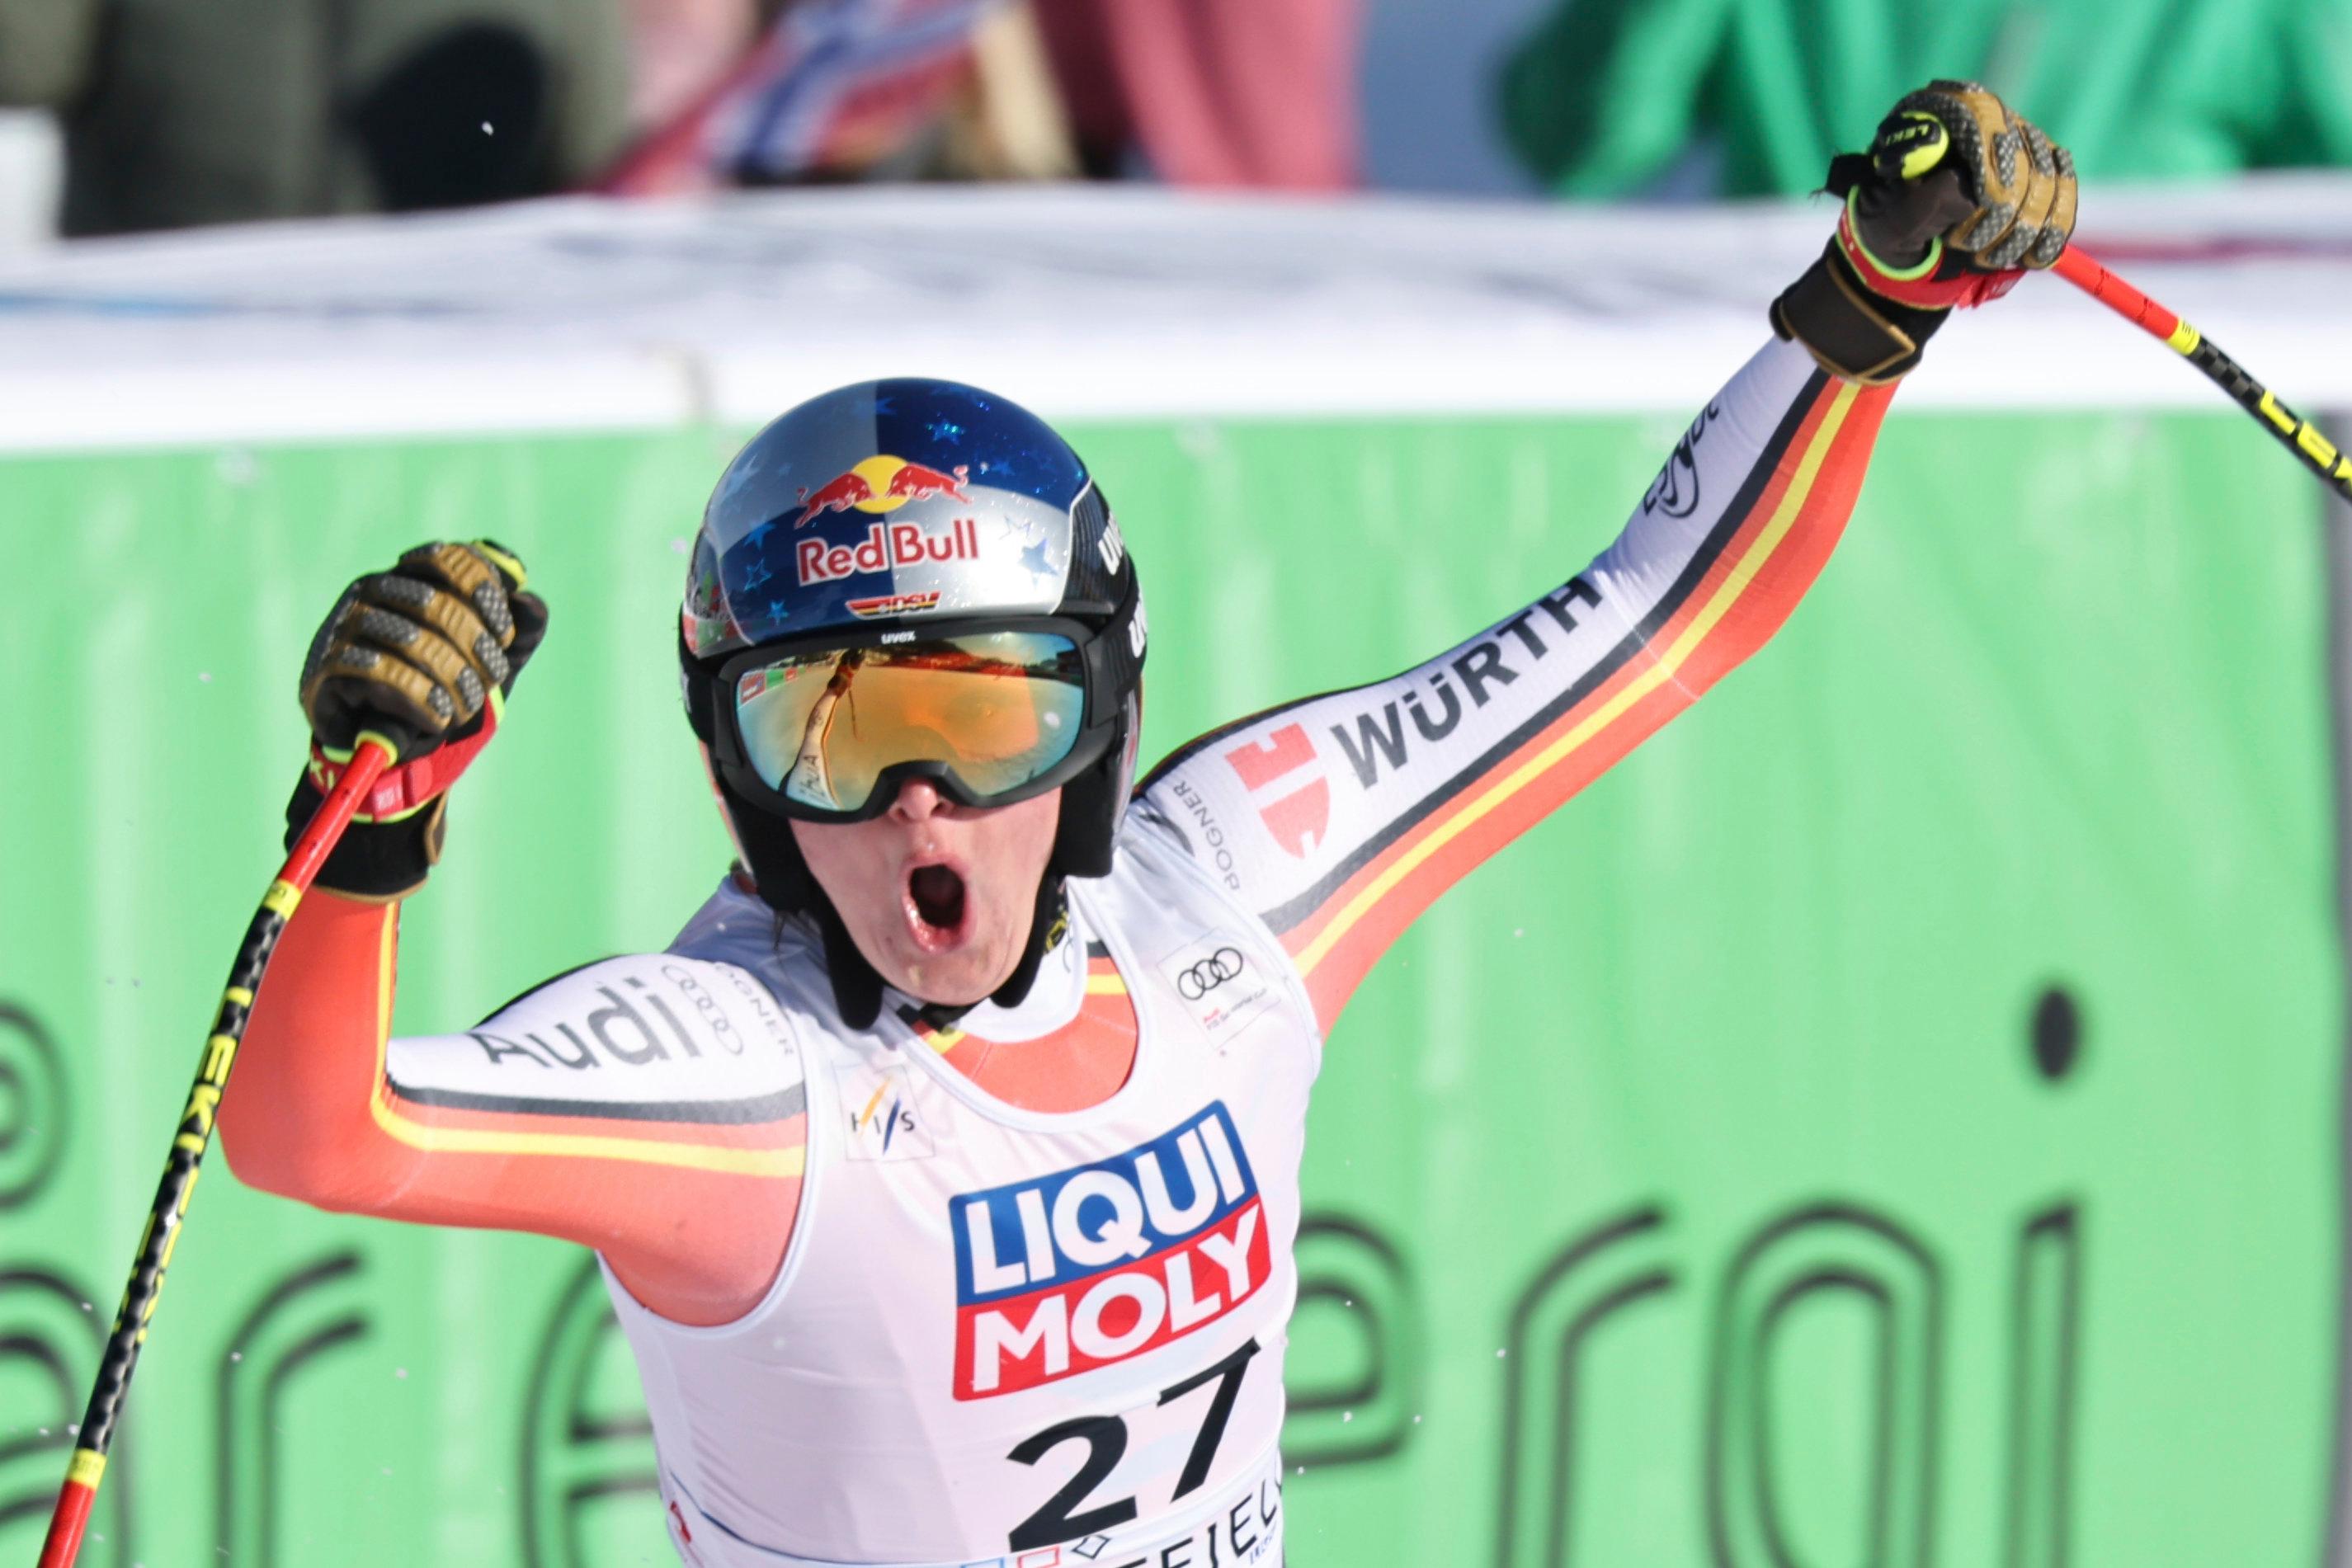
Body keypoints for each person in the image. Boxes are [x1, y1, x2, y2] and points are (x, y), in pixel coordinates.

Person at [219, 82, 2076, 1568]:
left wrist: (1873, 302)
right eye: (830, 734)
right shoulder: (747, 1071)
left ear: (1097, 722)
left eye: (975, 716)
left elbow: (1648, 625)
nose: (917, 804)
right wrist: (364, 833)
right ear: (738, 785)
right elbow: (324, 1133)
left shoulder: (1230, 894)